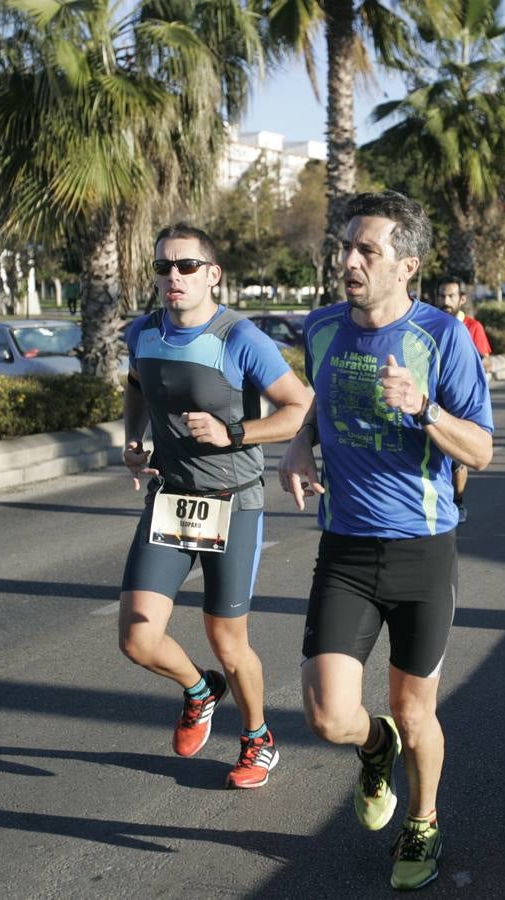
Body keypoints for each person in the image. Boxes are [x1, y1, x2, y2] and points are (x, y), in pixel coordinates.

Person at [278, 191, 494, 891]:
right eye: (344, 247)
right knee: (327, 713)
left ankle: (423, 820)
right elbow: (316, 405)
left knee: (414, 707)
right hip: (344, 547)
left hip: (422, 551)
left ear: (408, 265)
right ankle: (377, 750)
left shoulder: (443, 338)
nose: (348, 261)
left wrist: (424, 409)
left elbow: (483, 450)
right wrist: (297, 448)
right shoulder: (319, 329)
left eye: (365, 250)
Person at [118, 223, 313, 790]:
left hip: (233, 502)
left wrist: (235, 431)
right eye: (163, 268)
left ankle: (258, 739)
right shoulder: (144, 332)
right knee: (137, 638)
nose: (173, 278)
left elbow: (298, 406)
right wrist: (133, 442)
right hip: (170, 499)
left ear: (212, 274)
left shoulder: (239, 337)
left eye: (185, 267)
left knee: (228, 640)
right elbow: (135, 386)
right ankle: (199, 691)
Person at [429, 275, 491, 524]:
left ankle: (458, 501)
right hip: (434, 399)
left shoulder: (472, 327)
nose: (445, 301)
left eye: (451, 296)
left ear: (461, 299)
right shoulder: (431, 324)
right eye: (442, 295)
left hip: (460, 402)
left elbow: (486, 360)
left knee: (456, 457)